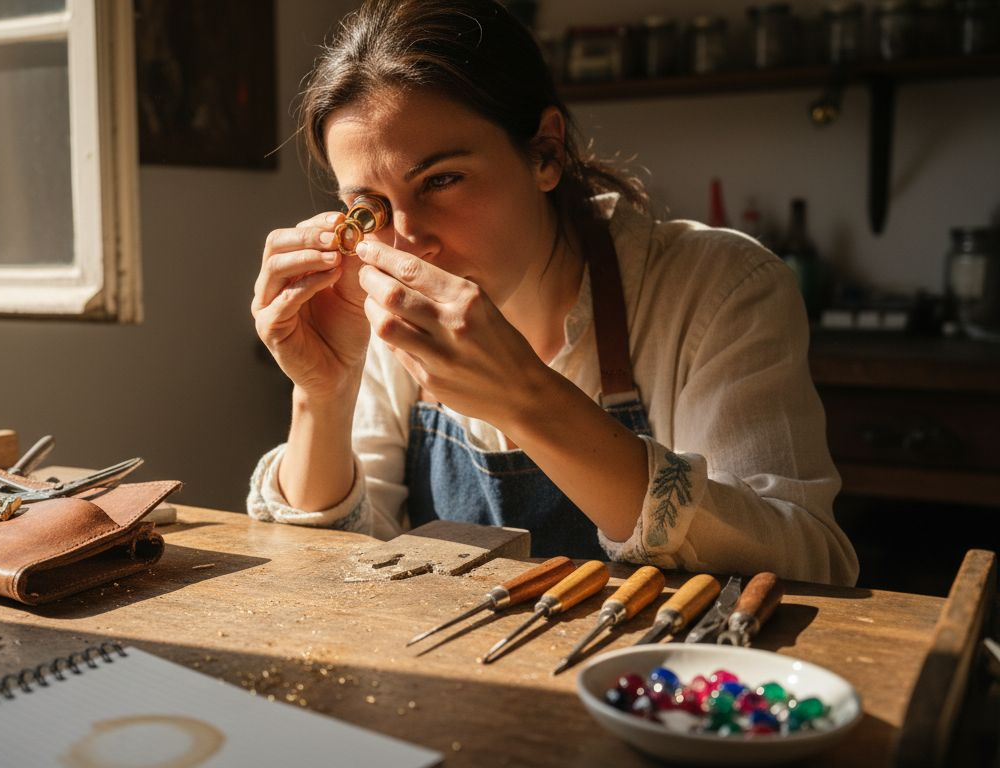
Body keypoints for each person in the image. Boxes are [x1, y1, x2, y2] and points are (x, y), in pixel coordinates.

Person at [247, 0, 859, 586]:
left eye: (443, 180)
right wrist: (322, 394)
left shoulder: (719, 288)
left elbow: (811, 565)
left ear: (545, 151)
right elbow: (328, 570)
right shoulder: (388, 318)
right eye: (370, 207)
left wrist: (527, 399)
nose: (409, 244)